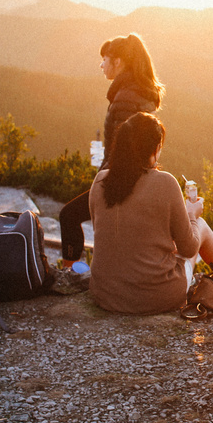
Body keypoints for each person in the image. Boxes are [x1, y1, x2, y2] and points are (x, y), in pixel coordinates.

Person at [87, 113, 213, 315]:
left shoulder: (101, 180)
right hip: (155, 296)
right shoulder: (165, 182)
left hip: (105, 294)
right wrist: (191, 214)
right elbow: (188, 249)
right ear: (154, 149)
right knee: (201, 226)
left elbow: (109, 233)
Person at [59, 33, 164, 267]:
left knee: (68, 215)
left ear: (117, 62)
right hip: (134, 179)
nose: (101, 65)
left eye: (105, 59)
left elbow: (124, 150)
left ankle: (70, 274)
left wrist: (104, 184)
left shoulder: (125, 96)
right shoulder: (135, 90)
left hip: (120, 181)